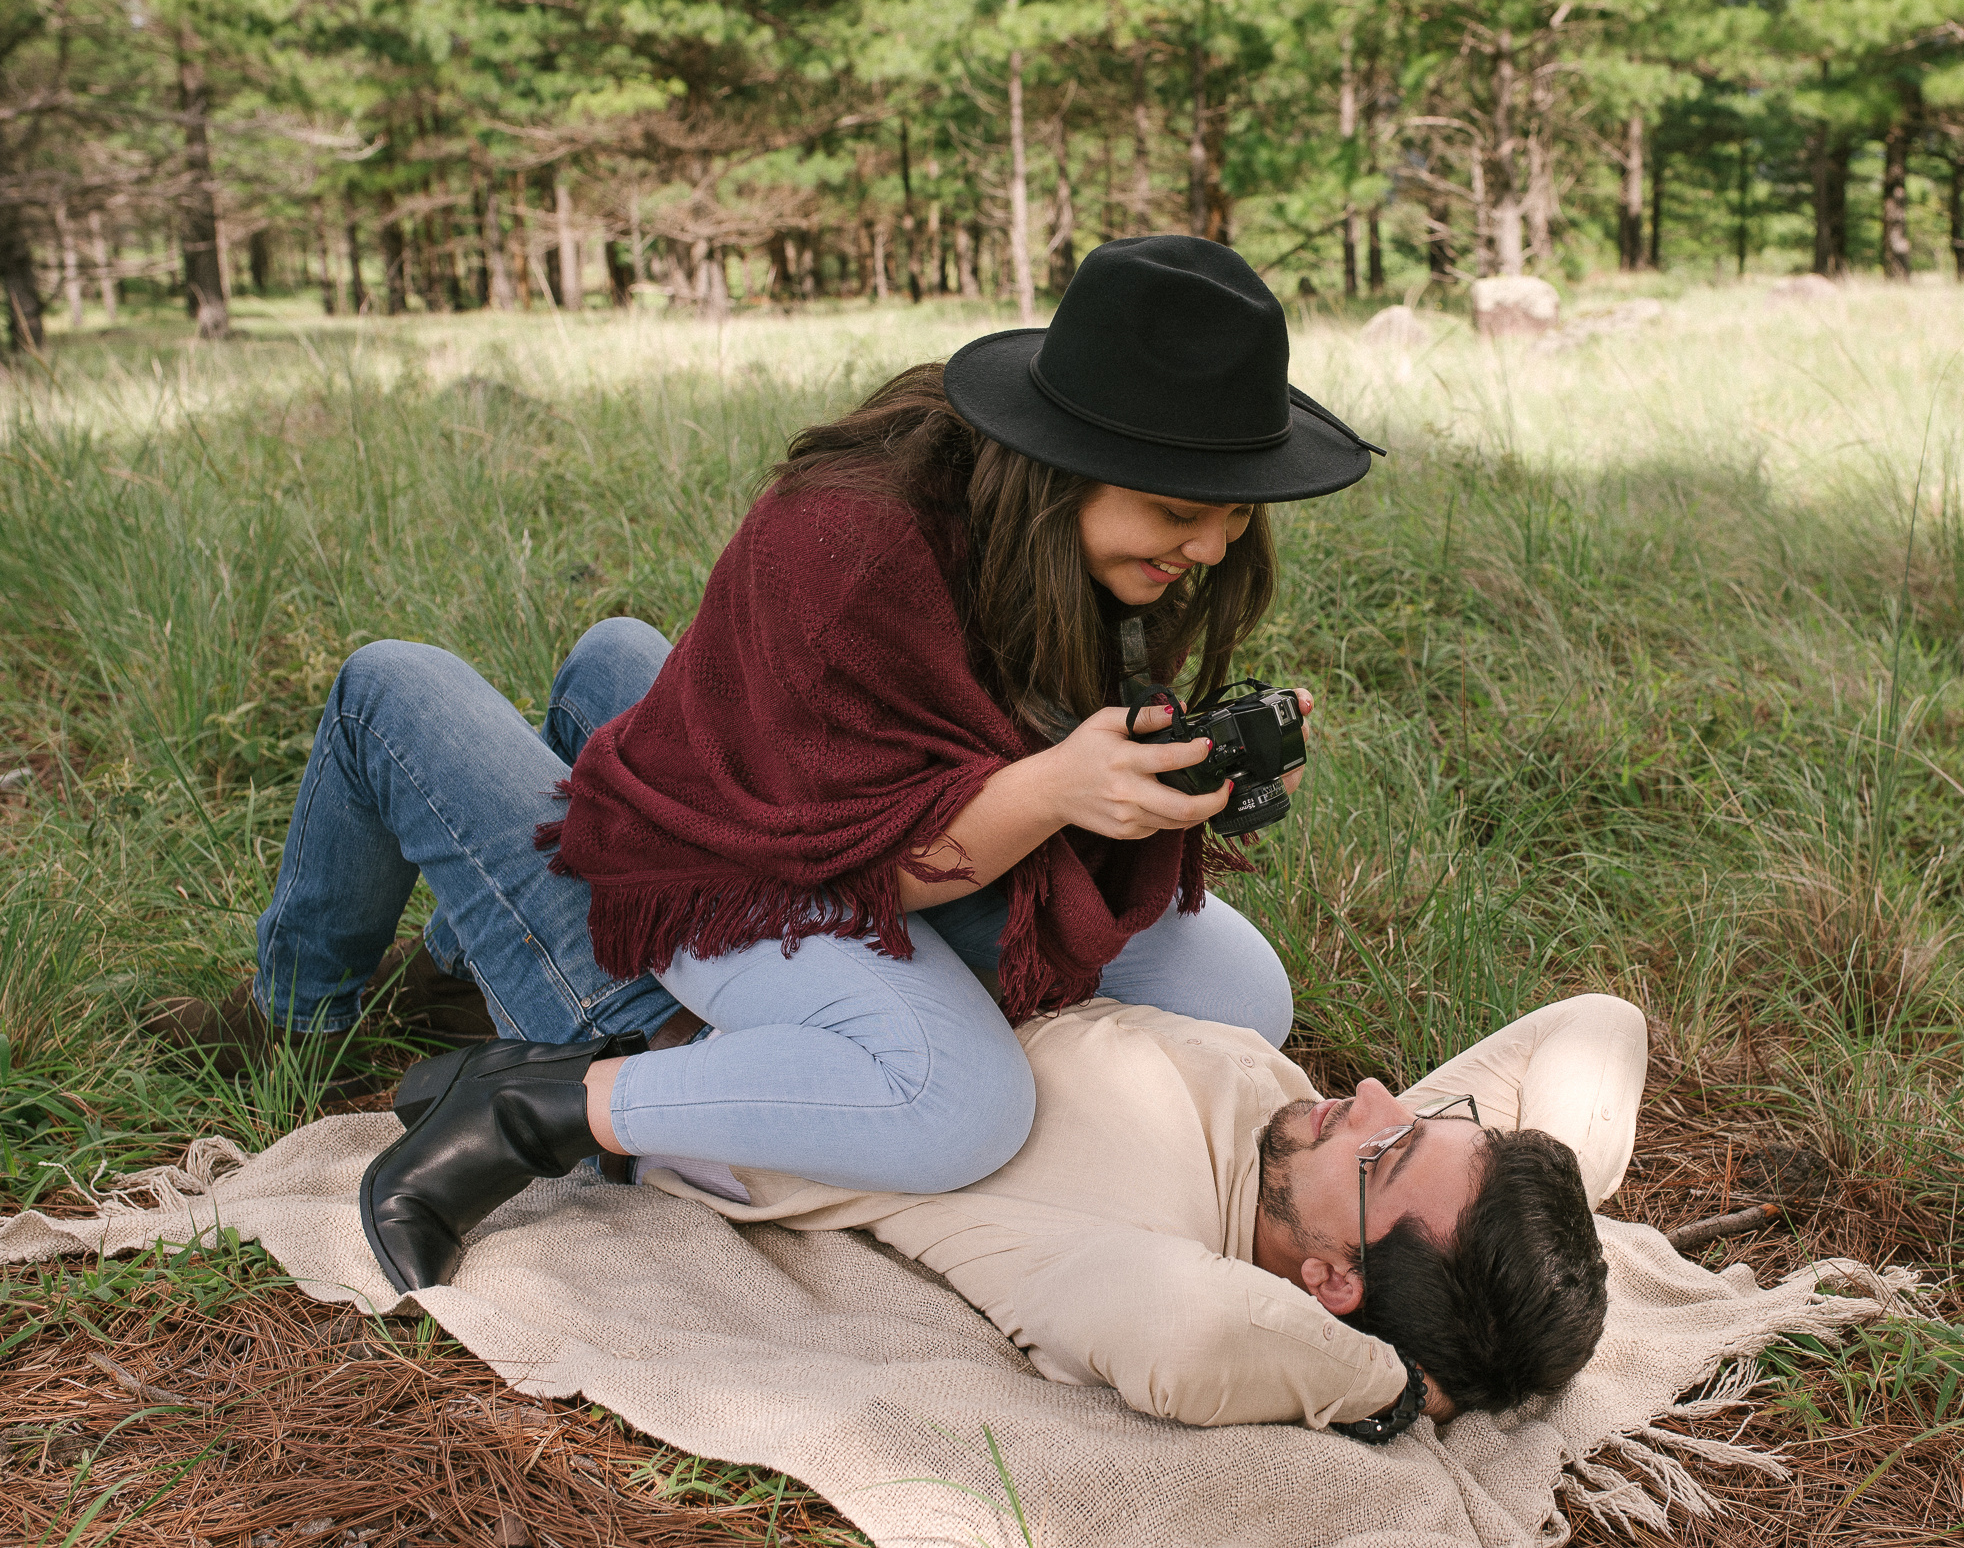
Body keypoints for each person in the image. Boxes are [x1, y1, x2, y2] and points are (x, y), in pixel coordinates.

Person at [151, 235, 1388, 1290]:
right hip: (750, 885)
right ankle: (312, 1023)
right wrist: (1060, 790)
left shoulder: (1077, 550)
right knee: (397, 684)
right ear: (1059, 463)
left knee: (1239, 991)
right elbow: (844, 864)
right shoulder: (856, 544)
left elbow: (954, 768)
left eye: (1235, 511)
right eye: (1182, 514)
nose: (1215, 550)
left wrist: (1155, 783)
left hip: (870, 862)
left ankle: (460, 961)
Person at [401, 991, 1641, 1441]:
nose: (1372, 1094)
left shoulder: (1125, 1255)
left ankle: (301, 991)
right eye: (1421, 1117)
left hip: (681, 1019)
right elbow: (1599, 1025)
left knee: (402, 695)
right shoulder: (1317, 1164)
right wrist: (1538, 1246)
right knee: (627, 674)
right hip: (860, 955)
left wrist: (1400, 1388)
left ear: (1328, 1289)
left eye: (1399, 1140)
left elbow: (1195, 1341)